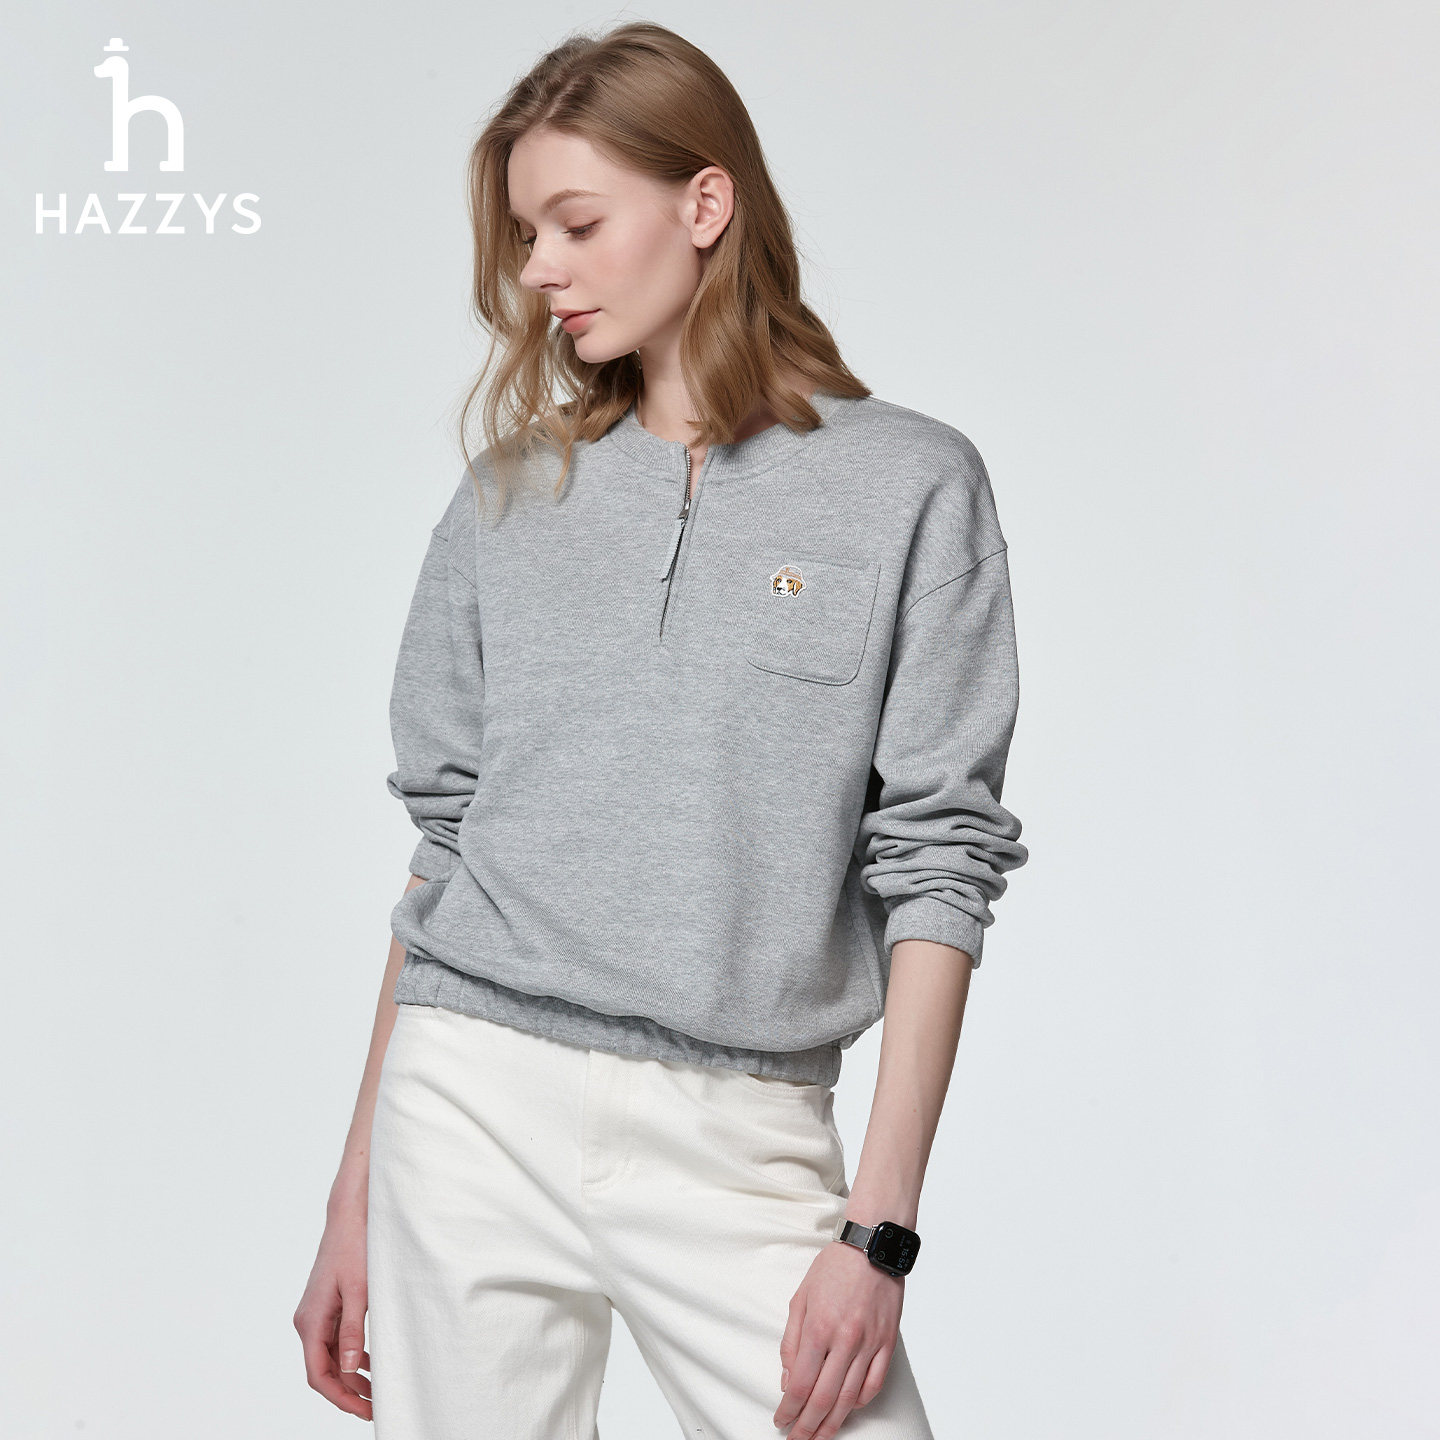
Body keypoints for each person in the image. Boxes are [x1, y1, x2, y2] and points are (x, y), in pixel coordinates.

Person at [294, 20, 1029, 1440]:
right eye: (526, 235)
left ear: (705, 204)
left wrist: (877, 1235)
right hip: (468, 1105)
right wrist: (354, 1192)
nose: (538, 270)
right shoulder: (509, 496)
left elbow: (940, 859)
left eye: (577, 224)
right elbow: (445, 847)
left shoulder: (912, 486)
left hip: (737, 1130)